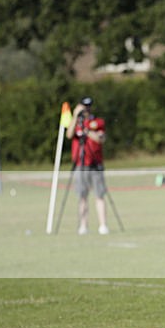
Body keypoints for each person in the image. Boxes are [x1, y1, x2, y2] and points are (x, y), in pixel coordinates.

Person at [68, 97, 109, 235]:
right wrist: (75, 117)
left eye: (89, 106)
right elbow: (69, 134)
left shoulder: (97, 122)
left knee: (100, 195)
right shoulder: (76, 123)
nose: (87, 109)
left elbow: (100, 138)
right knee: (82, 196)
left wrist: (86, 131)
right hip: (80, 164)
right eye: (84, 106)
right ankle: (83, 226)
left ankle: (103, 225)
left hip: (95, 164)